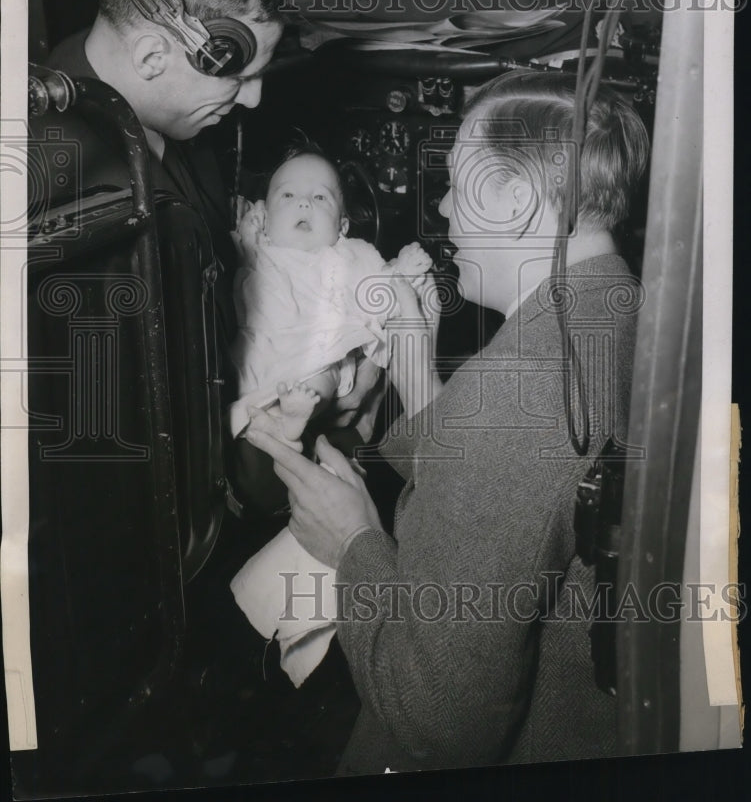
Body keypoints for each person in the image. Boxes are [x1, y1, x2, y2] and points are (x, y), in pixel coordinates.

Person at [245, 70, 650, 774]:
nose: (441, 207)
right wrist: (409, 354)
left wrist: (353, 541)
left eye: (456, 185)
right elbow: (508, 502)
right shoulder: (621, 310)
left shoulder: (515, 389)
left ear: (514, 199)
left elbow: (436, 717)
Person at [45, 0, 286, 406]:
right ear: (153, 57)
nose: (254, 98)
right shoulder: (71, 204)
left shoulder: (170, 113)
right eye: (239, 77)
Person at [229, 145, 432, 445]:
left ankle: (296, 414)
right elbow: (234, 244)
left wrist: (402, 270)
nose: (303, 204)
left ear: (342, 226)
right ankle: (274, 422)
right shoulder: (258, 248)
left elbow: (376, 289)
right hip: (260, 345)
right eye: (287, 195)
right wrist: (248, 230)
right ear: (265, 216)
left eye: (320, 197)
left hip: (320, 351)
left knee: (320, 378)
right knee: (243, 378)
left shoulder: (346, 255)